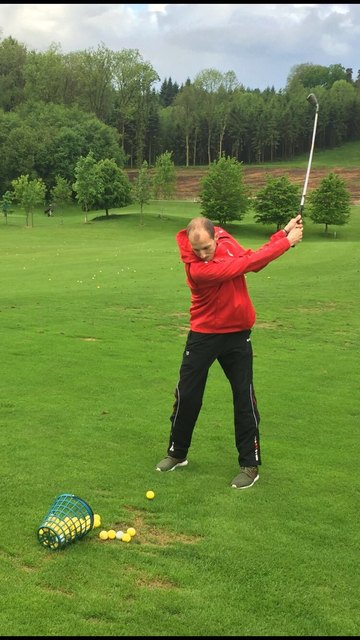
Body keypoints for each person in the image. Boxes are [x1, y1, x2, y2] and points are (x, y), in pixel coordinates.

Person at [155, 214, 303, 489]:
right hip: (204, 334)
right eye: (196, 249)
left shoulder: (225, 240)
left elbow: (250, 259)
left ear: (216, 237)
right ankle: (177, 452)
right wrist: (286, 243)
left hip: (237, 334)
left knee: (243, 397)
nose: (201, 254)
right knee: (187, 394)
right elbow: (243, 265)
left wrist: (283, 234)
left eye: (206, 248)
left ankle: (249, 465)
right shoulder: (197, 270)